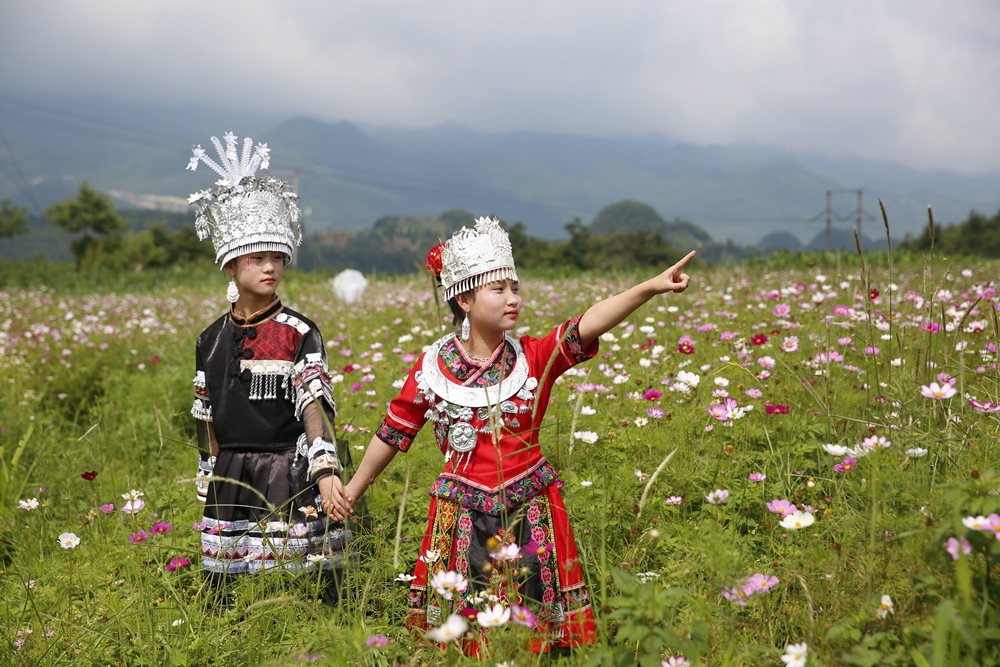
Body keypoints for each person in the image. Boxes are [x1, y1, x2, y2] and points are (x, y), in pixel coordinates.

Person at [329, 216, 694, 651]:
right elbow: (394, 431)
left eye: (515, 288)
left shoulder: (535, 357)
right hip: (459, 518)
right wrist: (352, 489)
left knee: (536, 635)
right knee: (461, 636)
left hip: (531, 511)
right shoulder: (431, 369)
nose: (513, 299)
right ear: (464, 299)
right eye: (498, 289)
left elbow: (588, 324)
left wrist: (648, 288)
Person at [185, 132, 349, 582]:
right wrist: (207, 478)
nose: (270, 267)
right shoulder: (210, 339)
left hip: (287, 474)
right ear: (231, 267)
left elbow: (313, 402)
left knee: (298, 587)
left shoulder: (299, 331)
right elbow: (207, 418)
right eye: (256, 258)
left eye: (276, 256)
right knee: (229, 590)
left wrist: (325, 466)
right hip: (231, 476)